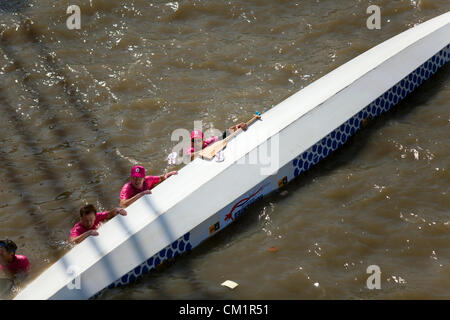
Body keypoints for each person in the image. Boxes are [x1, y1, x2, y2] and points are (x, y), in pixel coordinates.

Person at [184, 122, 248, 158]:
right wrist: (201, 152)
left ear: (203, 140)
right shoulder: (191, 150)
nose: (196, 143)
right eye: (193, 141)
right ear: (191, 142)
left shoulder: (209, 141)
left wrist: (237, 126)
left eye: (199, 140)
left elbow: (224, 136)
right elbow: (187, 157)